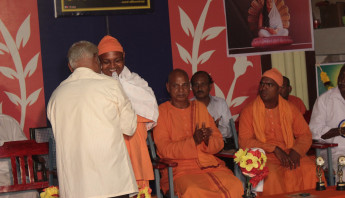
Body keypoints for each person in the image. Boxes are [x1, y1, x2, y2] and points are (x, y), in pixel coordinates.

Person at [47, 41, 138, 198]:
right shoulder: (111, 86)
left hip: (75, 187)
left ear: (70, 66)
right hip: (111, 183)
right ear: (96, 59)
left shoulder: (56, 95)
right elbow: (129, 127)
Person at [153, 69, 243, 198]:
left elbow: (218, 142)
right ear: (168, 87)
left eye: (184, 85)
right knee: (194, 190)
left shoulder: (199, 107)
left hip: (209, 164)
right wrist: (193, 141)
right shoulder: (161, 112)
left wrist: (207, 141)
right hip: (179, 170)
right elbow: (164, 149)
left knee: (235, 185)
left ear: (189, 87)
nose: (181, 90)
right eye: (176, 86)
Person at [239, 68, 318, 196]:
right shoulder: (249, 110)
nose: (263, 88)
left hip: (289, 152)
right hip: (263, 157)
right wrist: (273, 148)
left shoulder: (290, 108)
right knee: (272, 176)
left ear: (279, 89)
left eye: (269, 84)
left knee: (310, 169)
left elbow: (305, 135)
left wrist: (296, 151)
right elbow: (244, 141)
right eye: (262, 84)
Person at [97, 35, 157, 193]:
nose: (112, 66)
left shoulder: (135, 82)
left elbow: (150, 111)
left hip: (134, 146)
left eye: (117, 60)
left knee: (138, 190)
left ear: (124, 57)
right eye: (106, 62)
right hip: (108, 150)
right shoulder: (94, 86)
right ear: (98, 61)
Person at [309, 64, 345, 180]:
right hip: (334, 152)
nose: (342, 81)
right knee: (343, 170)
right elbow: (314, 132)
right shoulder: (325, 100)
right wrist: (340, 131)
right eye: (341, 76)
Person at [190, 71, 233, 148]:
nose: (199, 88)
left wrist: (215, 129)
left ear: (210, 86)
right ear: (192, 87)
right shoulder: (188, 105)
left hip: (219, 147)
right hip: (194, 147)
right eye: (196, 85)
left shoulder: (220, 103)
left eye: (203, 84)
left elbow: (230, 132)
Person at [0, 113, 38, 198]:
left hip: (14, 177)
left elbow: (25, 148)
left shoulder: (9, 122)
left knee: (31, 193)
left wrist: (25, 157)